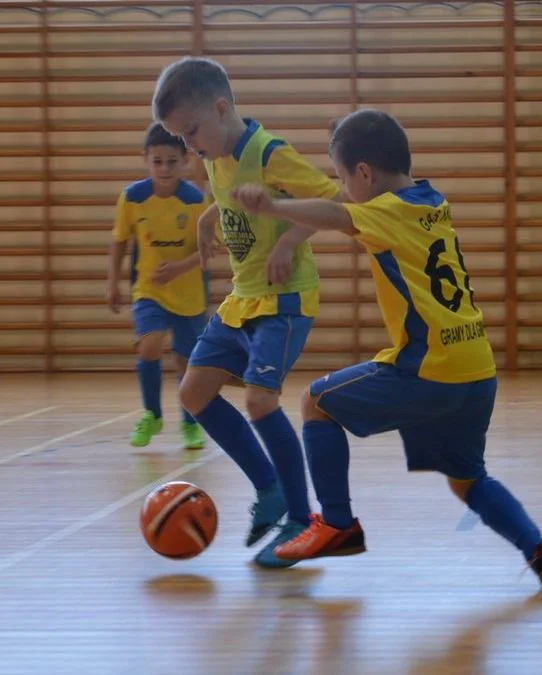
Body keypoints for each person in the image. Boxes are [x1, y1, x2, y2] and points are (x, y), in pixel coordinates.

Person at [229, 109, 542, 590]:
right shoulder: (431, 200)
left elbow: (336, 215)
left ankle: (336, 524)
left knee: (315, 402)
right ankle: (540, 550)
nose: (344, 188)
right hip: (476, 369)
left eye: (344, 178)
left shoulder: (385, 210)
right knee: (468, 479)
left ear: (365, 174)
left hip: (428, 367)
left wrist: (272, 207)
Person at [151, 56, 343, 568]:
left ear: (220, 109)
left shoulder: (270, 153)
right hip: (242, 299)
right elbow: (228, 194)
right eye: (180, 138)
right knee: (193, 392)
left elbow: (337, 201)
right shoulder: (214, 157)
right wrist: (208, 218)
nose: (188, 147)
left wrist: (290, 240)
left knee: (260, 401)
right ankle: (271, 490)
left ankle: (303, 520)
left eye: (191, 132)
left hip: (284, 301)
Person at [108, 122, 210, 450]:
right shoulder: (133, 198)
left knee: (185, 361)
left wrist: (180, 267)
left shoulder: (196, 201)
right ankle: (152, 414)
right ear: (146, 159)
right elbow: (120, 241)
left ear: (185, 160)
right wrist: (113, 281)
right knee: (149, 344)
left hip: (188, 293)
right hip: (148, 289)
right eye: (157, 161)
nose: (164, 168)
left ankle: (190, 422)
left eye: (171, 161)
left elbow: (209, 249)